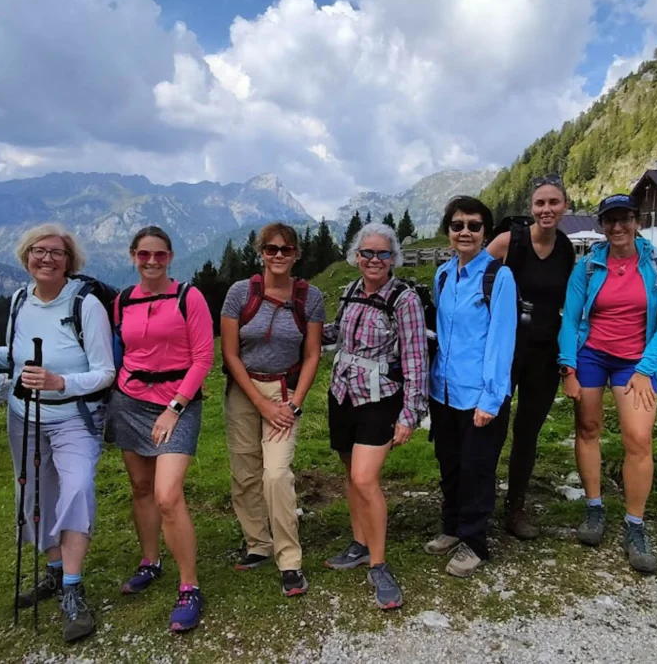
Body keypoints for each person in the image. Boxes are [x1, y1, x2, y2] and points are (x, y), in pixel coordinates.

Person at [0, 224, 115, 643]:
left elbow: (106, 373)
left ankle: (71, 587)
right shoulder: (17, 301)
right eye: (38, 251)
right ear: (25, 256)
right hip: (23, 415)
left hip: (74, 417)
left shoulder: (85, 305)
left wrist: (59, 382)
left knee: (77, 489)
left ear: (70, 260)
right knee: (33, 494)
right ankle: (52, 571)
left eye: (57, 253)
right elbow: (13, 358)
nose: (46, 259)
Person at [558, 194, 657, 575]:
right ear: (601, 225)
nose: (616, 227)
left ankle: (635, 525)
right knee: (588, 428)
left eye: (623, 219)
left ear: (636, 220)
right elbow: (570, 318)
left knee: (638, 439)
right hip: (592, 354)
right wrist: (568, 368)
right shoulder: (589, 266)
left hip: (637, 361)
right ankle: (594, 508)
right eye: (609, 221)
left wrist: (647, 367)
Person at [106, 226, 214, 633]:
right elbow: (122, 352)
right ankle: (150, 561)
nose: (152, 262)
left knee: (168, 495)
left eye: (160, 255)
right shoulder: (122, 302)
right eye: (144, 255)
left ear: (170, 257)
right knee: (140, 486)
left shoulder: (190, 296)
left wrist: (174, 408)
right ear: (133, 255)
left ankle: (189, 586)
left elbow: (204, 357)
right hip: (130, 400)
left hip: (178, 403)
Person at [322, 222, 428, 609]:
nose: (373, 260)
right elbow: (338, 332)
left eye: (382, 253)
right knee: (350, 474)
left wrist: (409, 415)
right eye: (367, 252)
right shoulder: (350, 291)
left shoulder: (404, 300)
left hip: (381, 397)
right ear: (356, 257)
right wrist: (304, 330)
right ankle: (359, 543)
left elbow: (417, 360)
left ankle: (379, 564)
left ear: (393, 258)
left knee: (366, 479)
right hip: (343, 393)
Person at [220, 223, 325, 597]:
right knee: (245, 471)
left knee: (276, 474)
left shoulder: (309, 297)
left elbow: (312, 354)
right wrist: (260, 402)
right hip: (245, 390)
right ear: (260, 252)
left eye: (286, 249)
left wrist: (293, 404)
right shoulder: (238, 293)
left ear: (296, 253)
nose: (278, 255)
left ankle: (290, 559)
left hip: (284, 390)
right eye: (270, 249)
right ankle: (257, 544)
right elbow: (230, 353)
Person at [424, 196, 517, 577]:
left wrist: (491, 399)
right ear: (449, 231)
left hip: (481, 394)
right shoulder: (444, 274)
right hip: (443, 391)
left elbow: (501, 340)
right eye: (458, 224)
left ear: (486, 233)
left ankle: (475, 542)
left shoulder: (499, 277)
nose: (465, 232)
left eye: (474, 226)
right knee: (449, 464)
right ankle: (451, 527)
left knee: (478, 468)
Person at [486, 175, 576, 540]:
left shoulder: (567, 249)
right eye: (540, 203)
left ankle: (515, 508)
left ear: (565, 207)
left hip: (544, 351)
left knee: (527, 432)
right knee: (492, 425)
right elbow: (472, 269)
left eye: (554, 202)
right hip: (505, 349)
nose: (546, 209)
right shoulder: (510, 241)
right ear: (531, 208)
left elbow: (568, 302)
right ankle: (481, 503)